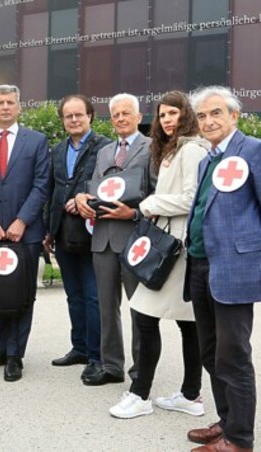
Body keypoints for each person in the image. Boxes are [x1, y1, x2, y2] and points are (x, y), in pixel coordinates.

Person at [184, 86, 261, 452]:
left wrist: (259, 261)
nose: (209, 121)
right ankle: (227, 421)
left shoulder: (254, 151)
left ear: (234, 116)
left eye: (216, 113)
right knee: (211, 353)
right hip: (200, 266)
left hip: (234, 269)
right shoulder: (205, 160)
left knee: (234, 355)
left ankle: (240, 439)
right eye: (202, 116)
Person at [106, 91, 209, 419]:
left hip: (175, 248)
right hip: (173, 244)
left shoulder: (191, 149)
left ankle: (140, 395)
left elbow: (192, 198)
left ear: (185, 115)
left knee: (144, 316)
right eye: (162, 115)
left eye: (173, 114)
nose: (166, 120)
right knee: (187, 323)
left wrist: (149, 205)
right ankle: (191, 396)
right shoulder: (171, 149)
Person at [75, 93, 156, 386]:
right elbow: (96, 188)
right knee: (106, 308)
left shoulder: (152, 147)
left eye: (126, 113)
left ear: (138, 117)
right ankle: (111, 366)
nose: (121, 118)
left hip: (136, 238)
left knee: (140, 309)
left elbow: (157, 192)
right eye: (116, 115)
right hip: (103, 239)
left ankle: (140, 372)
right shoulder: (105, 152)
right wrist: (83, 198)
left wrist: (134, 213)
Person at [0, 84, 49, 382]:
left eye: (10, 102)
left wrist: (22, 221)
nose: (5, 107)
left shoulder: (37, 142)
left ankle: (16, 355)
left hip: (23, 234)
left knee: (21, 294)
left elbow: (42, 184)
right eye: (0, 102)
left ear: (19, 107)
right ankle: (2, 349)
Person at [43, 94, 112, 380]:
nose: (74, 120)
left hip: (91, 230)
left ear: (90, 116)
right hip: (62, 231)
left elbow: (109, 185)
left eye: (79, 115)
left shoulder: (104, 148)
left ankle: (97, 356)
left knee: (93, 295)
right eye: (68, 116)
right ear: (63, 120)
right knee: (73, 295)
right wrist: (48, 229)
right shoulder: (57, 150)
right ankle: (79, 347)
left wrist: (84, 198)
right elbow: (51, 190)